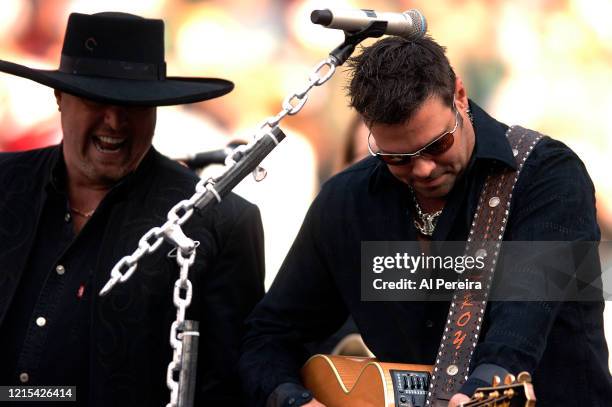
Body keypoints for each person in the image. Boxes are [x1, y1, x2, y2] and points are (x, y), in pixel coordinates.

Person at [239, 36, 611, 406]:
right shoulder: (346, 202)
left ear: (460, 96)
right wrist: (293, 400)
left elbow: (520, 324)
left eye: (437, 145)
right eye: (396, 157)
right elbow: (269, 335)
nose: (423, 168)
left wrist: (481, 385)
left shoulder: (546, 177)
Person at [0, 12, 265, 406]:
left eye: (135, 105)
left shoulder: (217, 222)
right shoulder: (6, 185)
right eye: (96, 100)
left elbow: (227, 384)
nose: (115, 121)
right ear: (60, 97)